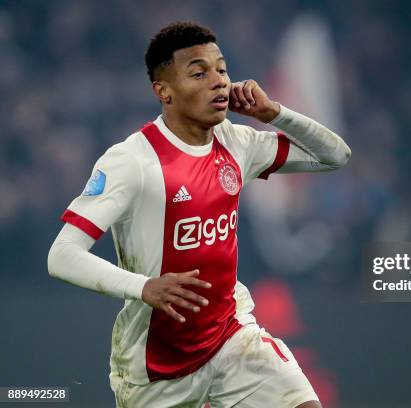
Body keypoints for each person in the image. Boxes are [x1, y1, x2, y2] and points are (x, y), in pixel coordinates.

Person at [47, 21, 350, 408]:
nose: (219, 82)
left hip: (232, 337)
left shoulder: (237, 143)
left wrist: (274, 113)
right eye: (199, 73)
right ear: (164, 92)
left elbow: (335, 156)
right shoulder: (131, 162)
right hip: (155, 368)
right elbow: (62, 256)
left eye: (222, 70)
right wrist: (143, 287)